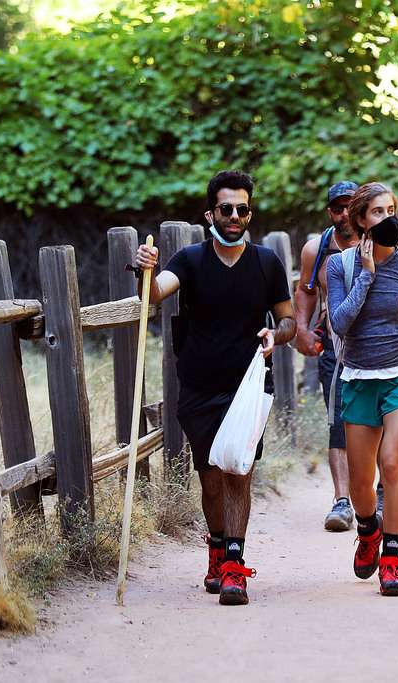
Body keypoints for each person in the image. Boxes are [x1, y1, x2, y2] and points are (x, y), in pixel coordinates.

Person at [132, 170, 295, 606]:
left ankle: (235, 568)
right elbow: (155, 295)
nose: (235, 216)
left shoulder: (266, 263)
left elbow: (289, 320)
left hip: (246, 386)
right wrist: (144, 273)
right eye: (227, 209)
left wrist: (275, 336)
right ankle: (218, 547)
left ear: (249, 213)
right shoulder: (189, 259)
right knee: (210, 481)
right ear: (211, 213)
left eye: (242, 209)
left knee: (239, 472)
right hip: (198, 387)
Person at [327, 182, 398, 596]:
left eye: (391, 210)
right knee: (361, 482)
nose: (387, 217)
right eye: (377, 211)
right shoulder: (340, 265)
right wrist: (367, 277)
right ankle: (368, 530)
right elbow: (340, 323)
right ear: (360, 219)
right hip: (359, 377)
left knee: (392, 464)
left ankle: (391, 557)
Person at [294, 180, 361, 532]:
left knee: (373, 423)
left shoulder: (383, 242)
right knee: (338, 422)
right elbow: (305, 290)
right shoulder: (315, 249)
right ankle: (342, 500)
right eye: (338, 207)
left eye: (352, 205)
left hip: (378, 349)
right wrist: (302, 329)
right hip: (334, 347)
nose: (345, 213)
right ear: (330, 211)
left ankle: (375, 492)